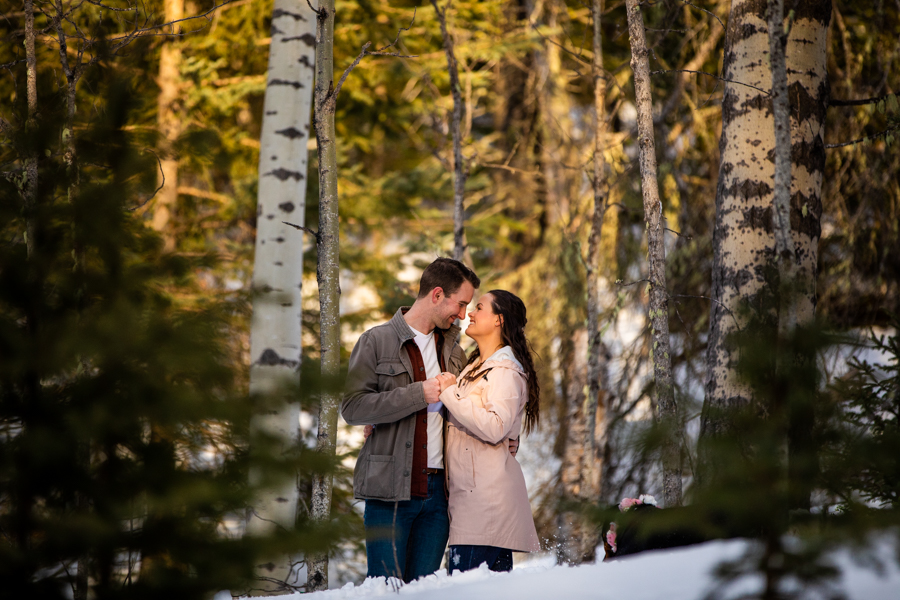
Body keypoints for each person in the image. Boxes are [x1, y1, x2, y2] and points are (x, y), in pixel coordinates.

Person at [340, 257, 479, 583]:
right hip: (389, 494)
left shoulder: (454, 352)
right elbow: (352, 407)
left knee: (425, 592)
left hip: (438, 498)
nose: (461, 315)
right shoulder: (376, 341)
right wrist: (419, 394)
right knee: (385, 590)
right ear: (436, 294)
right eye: (459, 304)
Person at [435, 289, 541, 574]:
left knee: (465, 592)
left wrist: (449, 393)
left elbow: (495, 427)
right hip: (472, 501)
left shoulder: (505, 370)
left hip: (485, 505)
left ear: (498, 321)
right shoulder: (477, 367)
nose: (470, 312)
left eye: (479, 307)